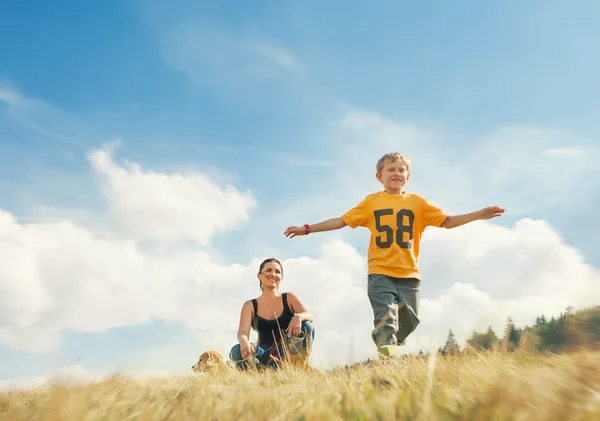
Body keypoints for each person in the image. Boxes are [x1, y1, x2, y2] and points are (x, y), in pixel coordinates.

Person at [284, 152, 504, 358]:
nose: (396, 173)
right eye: (391, 169)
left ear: (408, 176)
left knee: (411, 320)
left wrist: (479, 215)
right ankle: (387, 355)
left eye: (401, 170)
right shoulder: (372, 202)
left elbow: (447, 222)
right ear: (380, 177)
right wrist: (307, 228)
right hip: (380, 271)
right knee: (387, 317)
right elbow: (342, 221)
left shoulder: (418, 203)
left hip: (409, 273)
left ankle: (384, 338)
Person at [229, 257, 315, 369]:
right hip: (262, 353)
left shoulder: (289, 298)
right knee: (236, 350)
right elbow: (243, 333)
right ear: (259, 276)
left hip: (286, 352)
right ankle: (258, 371)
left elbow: (309, 315)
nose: (273, 274)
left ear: (281, 278)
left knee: (307, 326)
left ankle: (297, 368)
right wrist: (244, 341)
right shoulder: (250, 305)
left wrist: (299, 316)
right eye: (268, 270)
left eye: (277, 272)